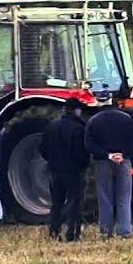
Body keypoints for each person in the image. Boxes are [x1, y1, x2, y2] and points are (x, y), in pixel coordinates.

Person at [85, 100, 133, 239]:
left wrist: (107, 155)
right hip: (124, 161)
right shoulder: (126, 118)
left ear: (99, 102)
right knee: (124, 197)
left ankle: (105, 231)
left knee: (105, 197)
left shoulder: (93, 120)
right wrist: (123, 154)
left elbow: (89, 144)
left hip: (103, 162)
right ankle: (124, 230)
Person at [41, 98, 89, 241]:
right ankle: (72, 234)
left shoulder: (51, 126)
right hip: (73, 171)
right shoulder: (79, 129)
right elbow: (82, 153)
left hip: (54, 170)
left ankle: (54, 232)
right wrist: (83, 167)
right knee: (74, 203)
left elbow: (42, 149)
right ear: (76, 110)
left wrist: (51, 161)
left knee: (56, 203)